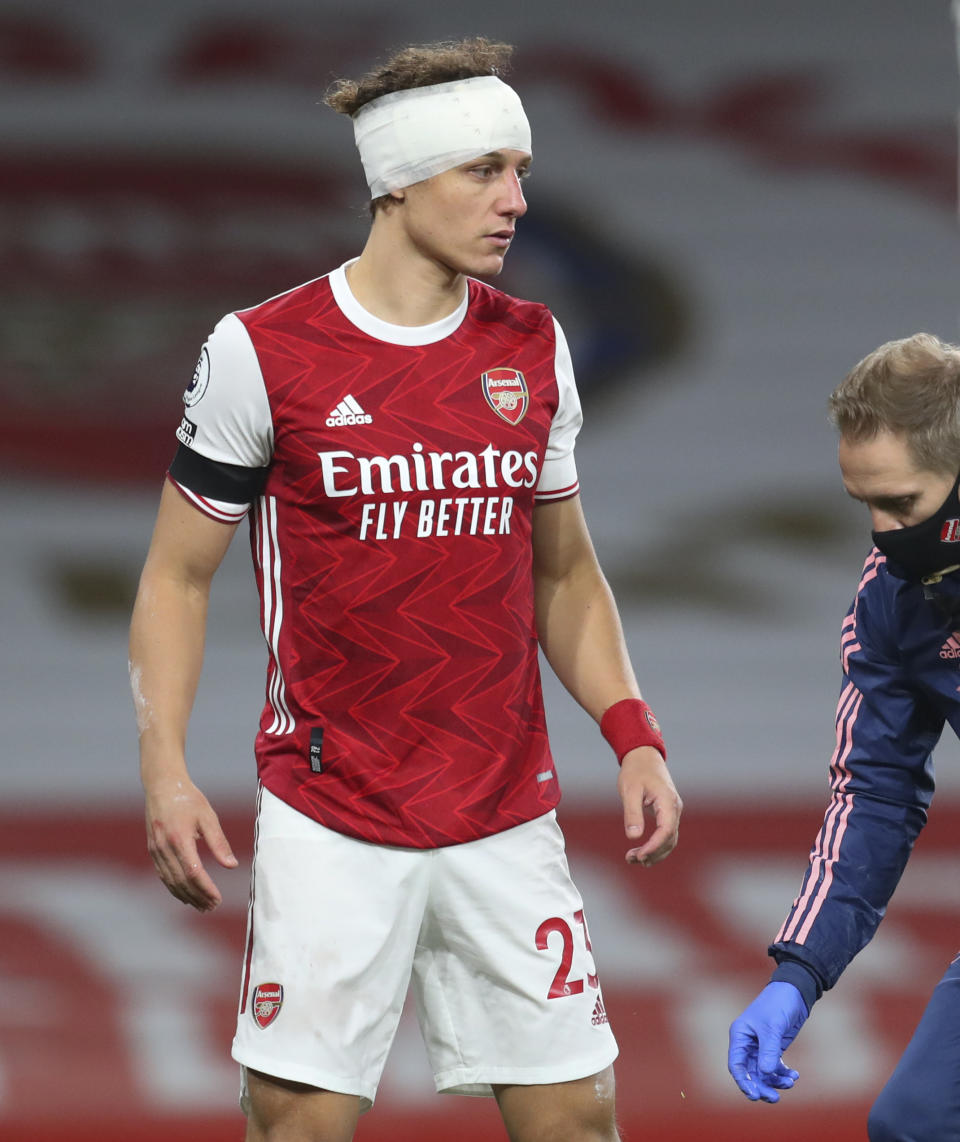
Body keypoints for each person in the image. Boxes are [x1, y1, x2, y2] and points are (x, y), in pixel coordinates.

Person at [129, 36, 682, 1142]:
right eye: (484, 171)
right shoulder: (262, 350)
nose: (517, 200)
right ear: (396, 181)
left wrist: (633, 732)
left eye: (520, 171)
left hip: (501, 805)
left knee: (577, 1118)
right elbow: (175, 578)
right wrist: (166, 771)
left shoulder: (533, 347)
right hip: (333, 809)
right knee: (300, 1124)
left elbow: (562, 567)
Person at [727, 332, 960, 1140]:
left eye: (903, 505)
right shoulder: (891, 601)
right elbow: (876, 791)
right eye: (865, 504)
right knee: (918, 1124)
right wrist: (799, 972)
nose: (883, 534)